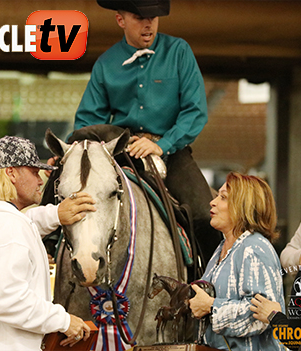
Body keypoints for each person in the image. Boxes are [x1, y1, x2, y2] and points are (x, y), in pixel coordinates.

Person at [72, 0, 221, 264]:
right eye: (139, 17)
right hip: (121, 153)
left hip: (171, 152)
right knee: (81, 200)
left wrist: (162, 144)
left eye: (154, 16)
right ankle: (56, 253)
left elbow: (195, 110)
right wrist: (72, 152)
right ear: (121, 20)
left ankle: (208, 285)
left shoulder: (179, 51)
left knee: (204, 215)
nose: (148, 23)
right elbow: (88, 122)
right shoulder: (106, 64)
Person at [0, 136, 96, 351]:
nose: (40, 181)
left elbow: (23, 225)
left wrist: (55, 214)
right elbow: (8, 301)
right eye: (34, 172)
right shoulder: (6, 227)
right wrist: (63, 321)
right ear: (11, 173)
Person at [188, 172, 285, 351]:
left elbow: (259, 317)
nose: (213, 201)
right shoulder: (222, 248)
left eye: (223, 197)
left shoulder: (254, 248)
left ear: (244, 206)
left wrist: (211, 306)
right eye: (218, 195)